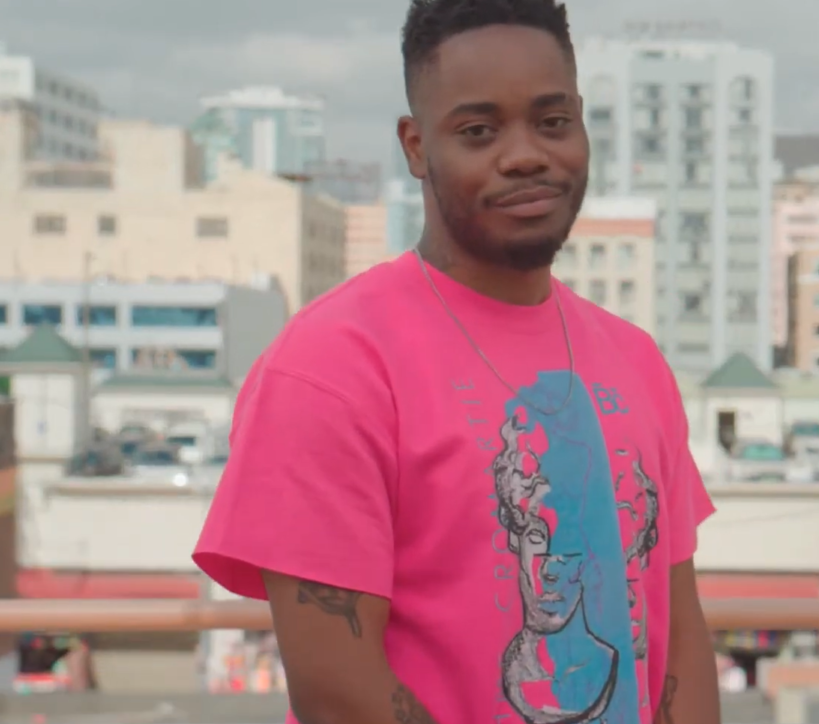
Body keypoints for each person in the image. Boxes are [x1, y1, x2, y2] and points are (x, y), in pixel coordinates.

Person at [192, 0, 720, 722]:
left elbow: (679, 631)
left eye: (553, 120)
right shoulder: (330, 366)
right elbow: (338, 690)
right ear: (415, 147)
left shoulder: (635, 360)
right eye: (478, 130)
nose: (527, 152)